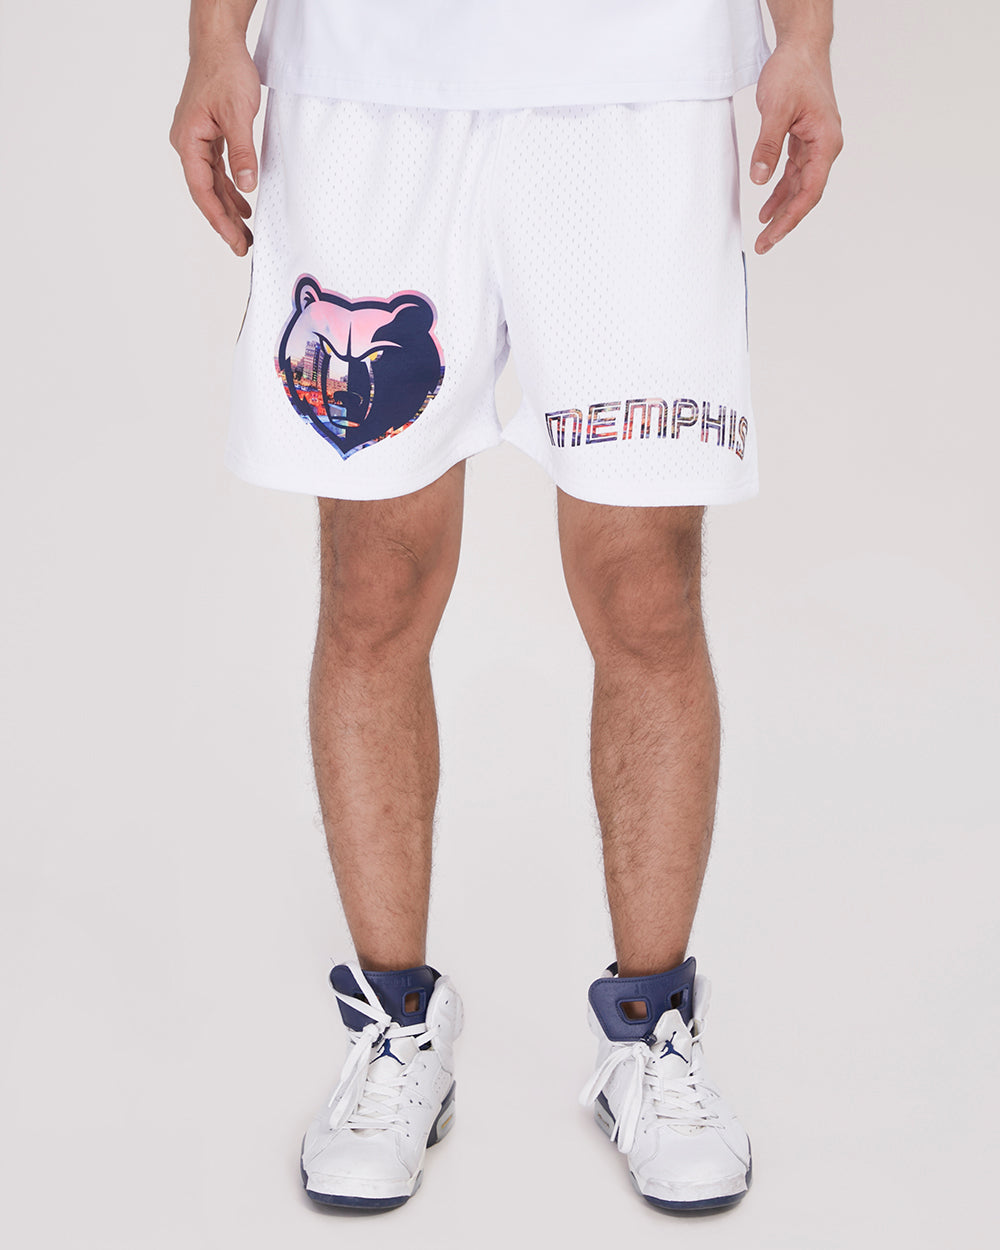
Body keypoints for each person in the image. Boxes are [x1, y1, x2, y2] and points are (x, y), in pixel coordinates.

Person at [171, 0, 842, 1214]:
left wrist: (806, 36)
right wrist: (216, 36)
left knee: (644, 586)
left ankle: (648, 1033)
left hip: (636, 90)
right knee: (375, 576)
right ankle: (395, 1026)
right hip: (368, 87)